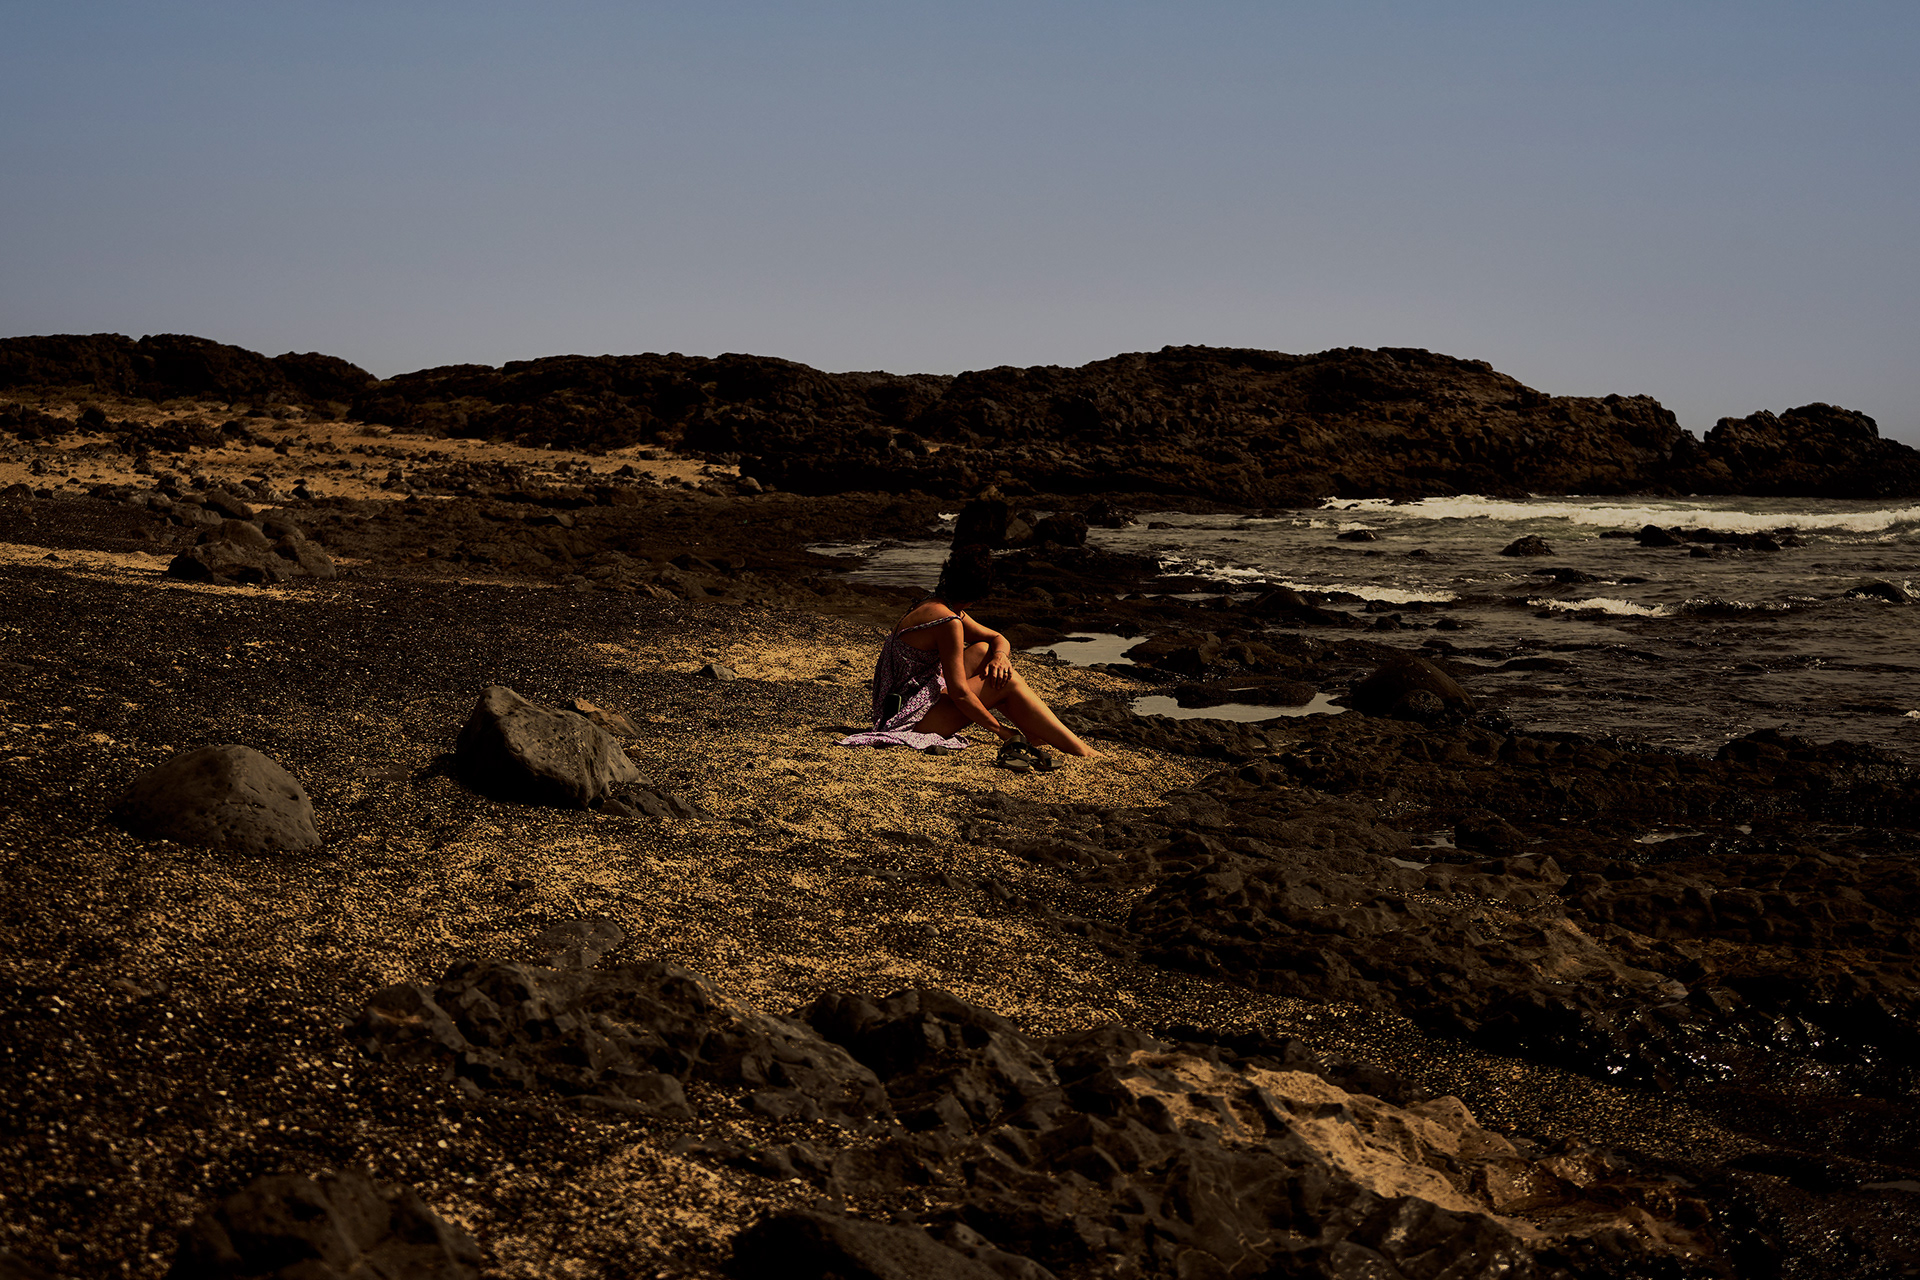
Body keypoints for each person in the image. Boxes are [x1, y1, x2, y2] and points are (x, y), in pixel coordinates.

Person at [838, 544, 1102, 757]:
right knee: (1009, 682)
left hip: (906, 701)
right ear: (977, 595)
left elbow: (997, 638)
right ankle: (1080, 750)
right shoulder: (948, 622)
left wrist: (1000, 657)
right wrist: (1001, 731)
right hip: (907, 719)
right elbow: (960, 694)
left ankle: (1034, 733)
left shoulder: (933, 604)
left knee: (985, 650)